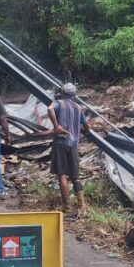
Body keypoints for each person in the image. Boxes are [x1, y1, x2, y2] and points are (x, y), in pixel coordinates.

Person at [47, 83, 90, 216]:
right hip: (73, 145)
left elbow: (49, 109)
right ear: (74, 94)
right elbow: (86, 125)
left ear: (62, 92)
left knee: (62, 175)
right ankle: (82, 206)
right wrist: (87, 131)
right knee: (75, 176)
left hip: (61, 142)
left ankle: (68, 207)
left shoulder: (58, 103)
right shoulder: (78, 107)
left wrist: (56, 126)